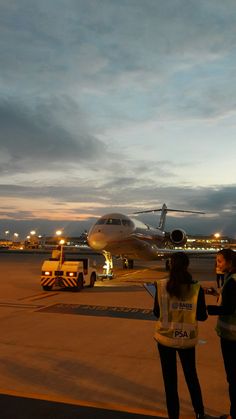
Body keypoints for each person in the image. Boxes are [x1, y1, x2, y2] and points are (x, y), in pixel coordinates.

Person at [153, 252, 208, 419]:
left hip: (165, 339)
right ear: (187, 265)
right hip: (187, 339)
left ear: (170, 265)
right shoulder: (196, 288)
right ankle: (199, 412)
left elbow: (157, 312)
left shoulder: (161, 285)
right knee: (191, 377)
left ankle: (173, 415)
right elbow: (202, 316)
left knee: (170, 381)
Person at [207, 248, 236, 419]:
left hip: (231, 337)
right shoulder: (232, 280)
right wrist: (217, 294)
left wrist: (205, 309)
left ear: (230, 263)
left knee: (233, 378)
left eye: (220, 261)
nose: (217, 264)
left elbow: (229, 308)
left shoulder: (232, 281)